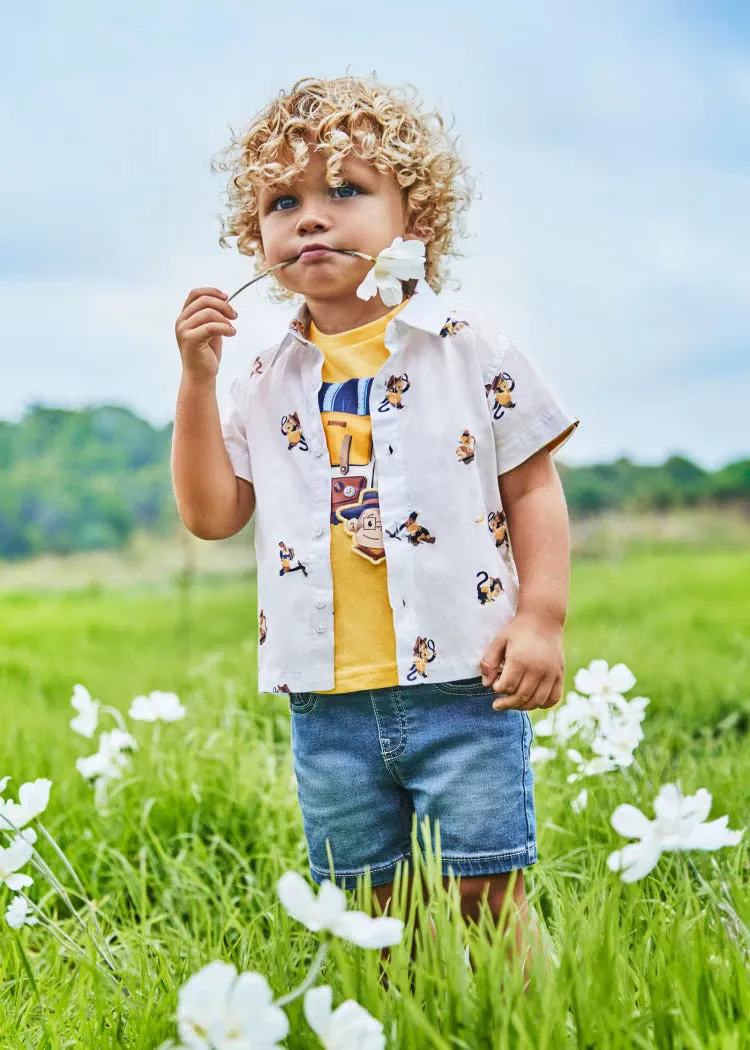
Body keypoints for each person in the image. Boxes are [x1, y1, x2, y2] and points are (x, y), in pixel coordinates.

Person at [171, 75, 580, 985]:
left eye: (345, 191)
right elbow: (210, 516)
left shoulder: (469, 345)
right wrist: (197, 379)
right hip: (329, 698)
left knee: (484, 893)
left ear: (412, 215)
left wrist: (542, 618)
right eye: (285, 202)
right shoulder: (261, 377)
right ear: (258, 240)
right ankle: (408, 1024)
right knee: (375, 910)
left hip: (465, 681)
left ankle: (543, 1028)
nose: (311, 218)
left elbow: (534, 488)